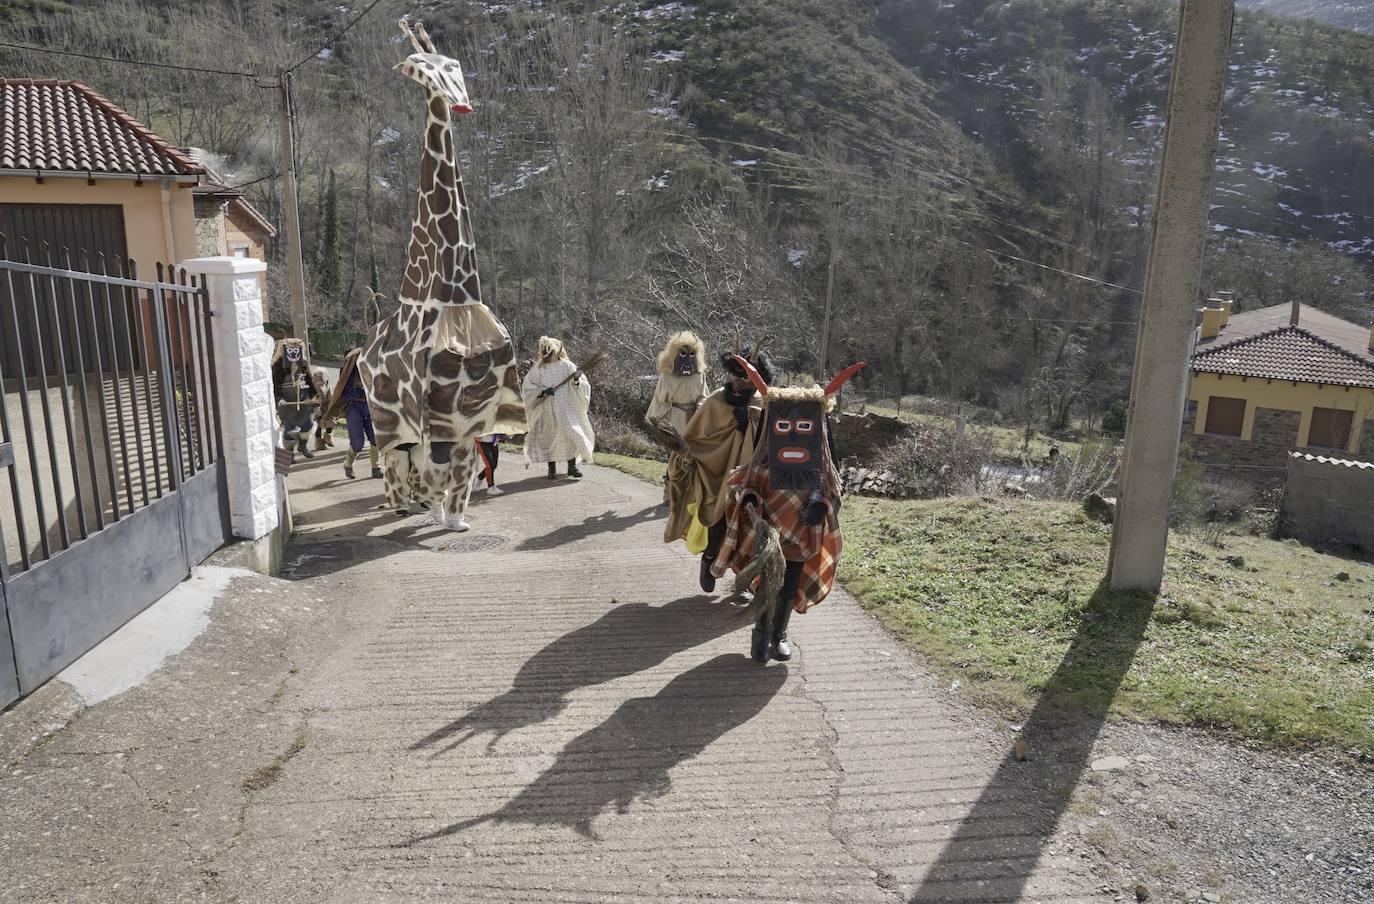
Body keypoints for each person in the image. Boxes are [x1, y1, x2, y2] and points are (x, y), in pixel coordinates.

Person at [712, 357, 865, 663]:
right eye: (784, 425)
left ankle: (779, 634)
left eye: (803, 426)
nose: (794, 433)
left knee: (789, 586)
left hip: (801, 535)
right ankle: (761, 630)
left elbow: (831, 495)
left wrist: (820, 506)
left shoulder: (818, 467)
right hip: (768, 535)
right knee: (769, 584)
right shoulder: (765, 462)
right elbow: (746, 486)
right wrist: (752, 502)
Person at [672, 341, 774, 593]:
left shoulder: (765, 404)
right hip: (718, 481)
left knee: (752, 532)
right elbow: (694, 438)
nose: (737, 384)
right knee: (717, 528)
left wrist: (751, 425)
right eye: (733, 377)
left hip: (753, 481)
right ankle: (709, 560)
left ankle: (746, 579)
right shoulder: (716, 400)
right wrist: (688, 459)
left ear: (756, 379)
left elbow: (773, 441)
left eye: (745, 379)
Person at [645, 331, 708, 507]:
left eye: (691, 354)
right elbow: (660, 400)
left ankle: (689, 495)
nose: (687, 358)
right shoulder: (667, 376)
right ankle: (669, 492)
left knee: (692, 457)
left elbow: (704, 396)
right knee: (673, 457)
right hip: (673, 422)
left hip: (693, 421)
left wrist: (700, 409)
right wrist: (659, 423)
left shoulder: (699, 375)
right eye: (682, 353)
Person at [520, 336, 595, 480]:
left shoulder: (568, 366)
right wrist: (543, 391)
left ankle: (572, 467)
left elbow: (581, 385)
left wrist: (576, 379)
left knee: (572, 435)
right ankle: (551, 469)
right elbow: (529, 386)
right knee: (550, 437)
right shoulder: (538, 368)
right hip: (547, 410)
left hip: (566, 408)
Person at [323, 347, 382, 480]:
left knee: (375, 439)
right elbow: (342, 392)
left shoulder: (373, 370)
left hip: (370, 406)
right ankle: (348, 464)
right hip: (354, 407)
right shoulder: (348, 372)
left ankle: (376, 467)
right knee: (357, 443)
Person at [271, 337, 322, 462]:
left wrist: (314, 397)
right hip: (287, 404)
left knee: (309, 424)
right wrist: (278, 399)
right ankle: (289, 454)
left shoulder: (303, 365)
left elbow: (309, 382)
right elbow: (275, 385)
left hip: (304, 401)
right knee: (290, 430)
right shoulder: (278, 367)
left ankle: (303, 446)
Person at [312, 368, 336, 451]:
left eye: (321, 377)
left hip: (327, 407)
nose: (320, 380)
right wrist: (317, 408)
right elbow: (314, 399)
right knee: (319, 426)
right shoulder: (314, 388)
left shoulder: (328, 387)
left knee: (332, 421)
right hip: (317, 408)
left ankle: (327, 436)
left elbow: (331, 397)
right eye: (318, 378)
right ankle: (318, 443)